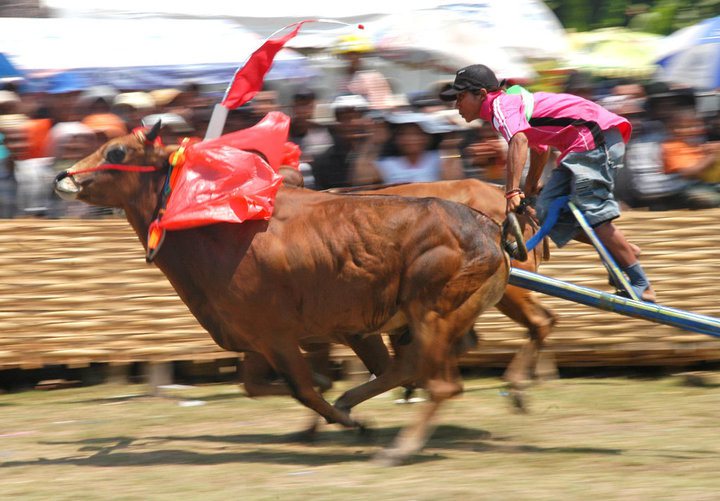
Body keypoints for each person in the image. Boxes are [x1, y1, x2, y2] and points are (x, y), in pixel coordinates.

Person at [440, 64, 656, 302]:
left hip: (594, 138)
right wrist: (530, 188)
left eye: (460, 97)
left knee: (591, 211)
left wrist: (512, 192)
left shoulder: (499, 106)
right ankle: (623, 252)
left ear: (481, 94)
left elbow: (519, 141)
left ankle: (641, 284)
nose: (456, 105)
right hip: (582, 145)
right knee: (543, 211)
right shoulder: (507, 106)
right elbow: (540, 149)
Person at [352, 111, 464, 185]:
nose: (409, 139)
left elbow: (454, 181)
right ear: (396, 139)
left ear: (426, 138)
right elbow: (362, 180)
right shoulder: (388, 164)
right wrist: (373, 142)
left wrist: (450, 144)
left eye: (416, 134)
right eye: (404, 134)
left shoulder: (438, 159)